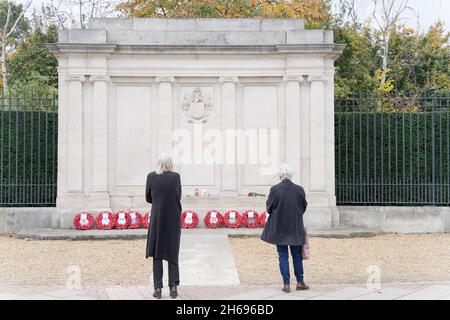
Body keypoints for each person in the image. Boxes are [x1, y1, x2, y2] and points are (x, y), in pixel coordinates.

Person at [260, 164, 310, 293]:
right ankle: (300, 282)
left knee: (282, 256)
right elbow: (303, 207)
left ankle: (286, 284)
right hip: (295, 226)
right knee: (297, 256)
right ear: (291, 175)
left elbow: (269, 208)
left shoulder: (275, 189)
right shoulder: (299, 189)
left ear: (280, 175)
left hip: (280, 228)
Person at [145, 153, 182, 299]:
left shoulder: (151, 176)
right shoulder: (176, 177)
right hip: (172, 218)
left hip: (157, 218)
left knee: (157, 252)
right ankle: (173, 288)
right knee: (173, 251)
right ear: (170, 164)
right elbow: (177, 195)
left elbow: (148, 197)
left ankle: (158, 289)